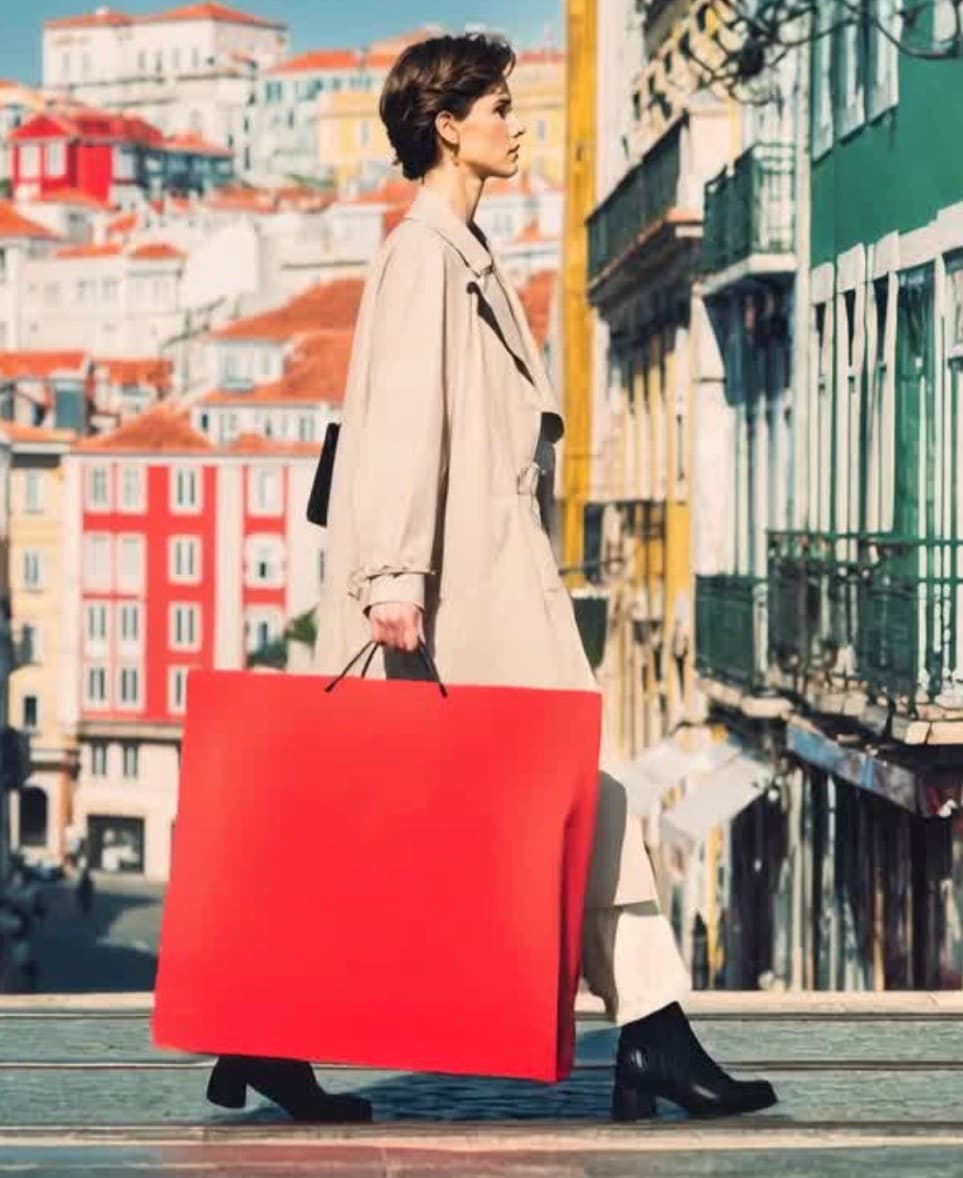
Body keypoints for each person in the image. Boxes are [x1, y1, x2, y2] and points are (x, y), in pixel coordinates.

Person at [207, 32, 776, 1125]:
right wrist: (392, 577)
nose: (519, 123)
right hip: (457, 597)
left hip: (490, 583)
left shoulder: (461, 253)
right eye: (501, 107)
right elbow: (398, 428)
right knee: (509, 805)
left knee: (544, 803)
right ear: (447, 125)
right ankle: (649, 1036)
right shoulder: (425, 254)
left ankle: (649, 1029)